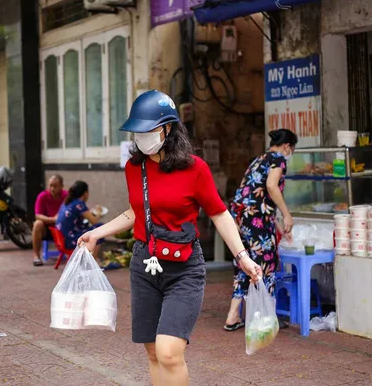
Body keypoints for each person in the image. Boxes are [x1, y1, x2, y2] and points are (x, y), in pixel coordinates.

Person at [78, 90, 262, 386]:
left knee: (169, 352)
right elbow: (137, 212)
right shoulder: (133, 168)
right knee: (152, 351)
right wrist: (97, 233)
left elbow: (219, 214)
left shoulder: (194, 169)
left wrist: (242, 257)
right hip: (144, 266)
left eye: (148, 130)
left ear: (167, 128)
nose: (141, 137)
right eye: (137, 131)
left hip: (184, 268)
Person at [224, 128, 298, 331]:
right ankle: (266, 318)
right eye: (292, 148)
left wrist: (277, 225)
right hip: (256, 219)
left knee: (243, 262)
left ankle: (233, 316)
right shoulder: (278, 159)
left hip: (240, 217)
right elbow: (271, 187)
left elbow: (254, 197)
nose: (290, 152)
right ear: (287, 146)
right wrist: (286, 214)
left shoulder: (259, 159)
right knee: (267, 263)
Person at [55, 180, 103, 253]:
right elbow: (94, 221)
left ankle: (92, 258)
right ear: (85, 193)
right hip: (69, 240)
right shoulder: (79, 203)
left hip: (61, 239)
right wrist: (99, 212)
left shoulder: (68, 201)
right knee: (100, 228)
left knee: (89, 228)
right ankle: (93, 259)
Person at [32, 175, 67, 266]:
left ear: (61, 186)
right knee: (37, 224)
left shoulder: (67, 196)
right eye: (50, 186)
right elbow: (38, 216)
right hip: (47, 229)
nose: (52, 189)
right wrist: (53, 219)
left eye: (55, 186)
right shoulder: (42, 196)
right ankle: (36, 256)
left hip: (62, 228)